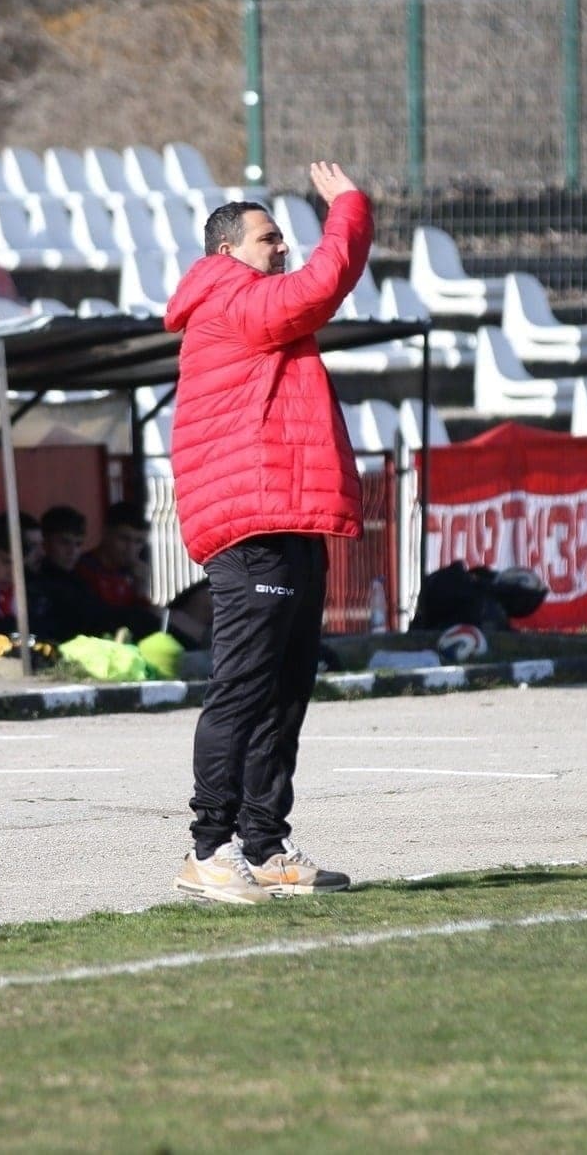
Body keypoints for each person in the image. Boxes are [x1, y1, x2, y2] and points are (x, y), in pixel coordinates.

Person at [163, 161, 370, 904]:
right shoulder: (228, 295)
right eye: (268, 239)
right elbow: (321, 286)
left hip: (286, 514)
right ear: (227, 253)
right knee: (243, 689)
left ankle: (265, 841)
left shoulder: (249, 299)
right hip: (251, 522)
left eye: (284, 239)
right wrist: (347, 208)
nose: (281, 249)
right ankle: (207, 847)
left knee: (284, 691)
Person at [26, 504, 157, 644]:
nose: (72, 552)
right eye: (64, 543)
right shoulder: (81, 573)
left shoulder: (75, 579)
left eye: (78, 544)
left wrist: (141, 589)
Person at [75, 500, 152, 612]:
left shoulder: (134, 573)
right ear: (106, 533)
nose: (131, 549)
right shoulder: (82, 571)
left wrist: (141, 588)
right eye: (124, 539)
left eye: (138, 541)